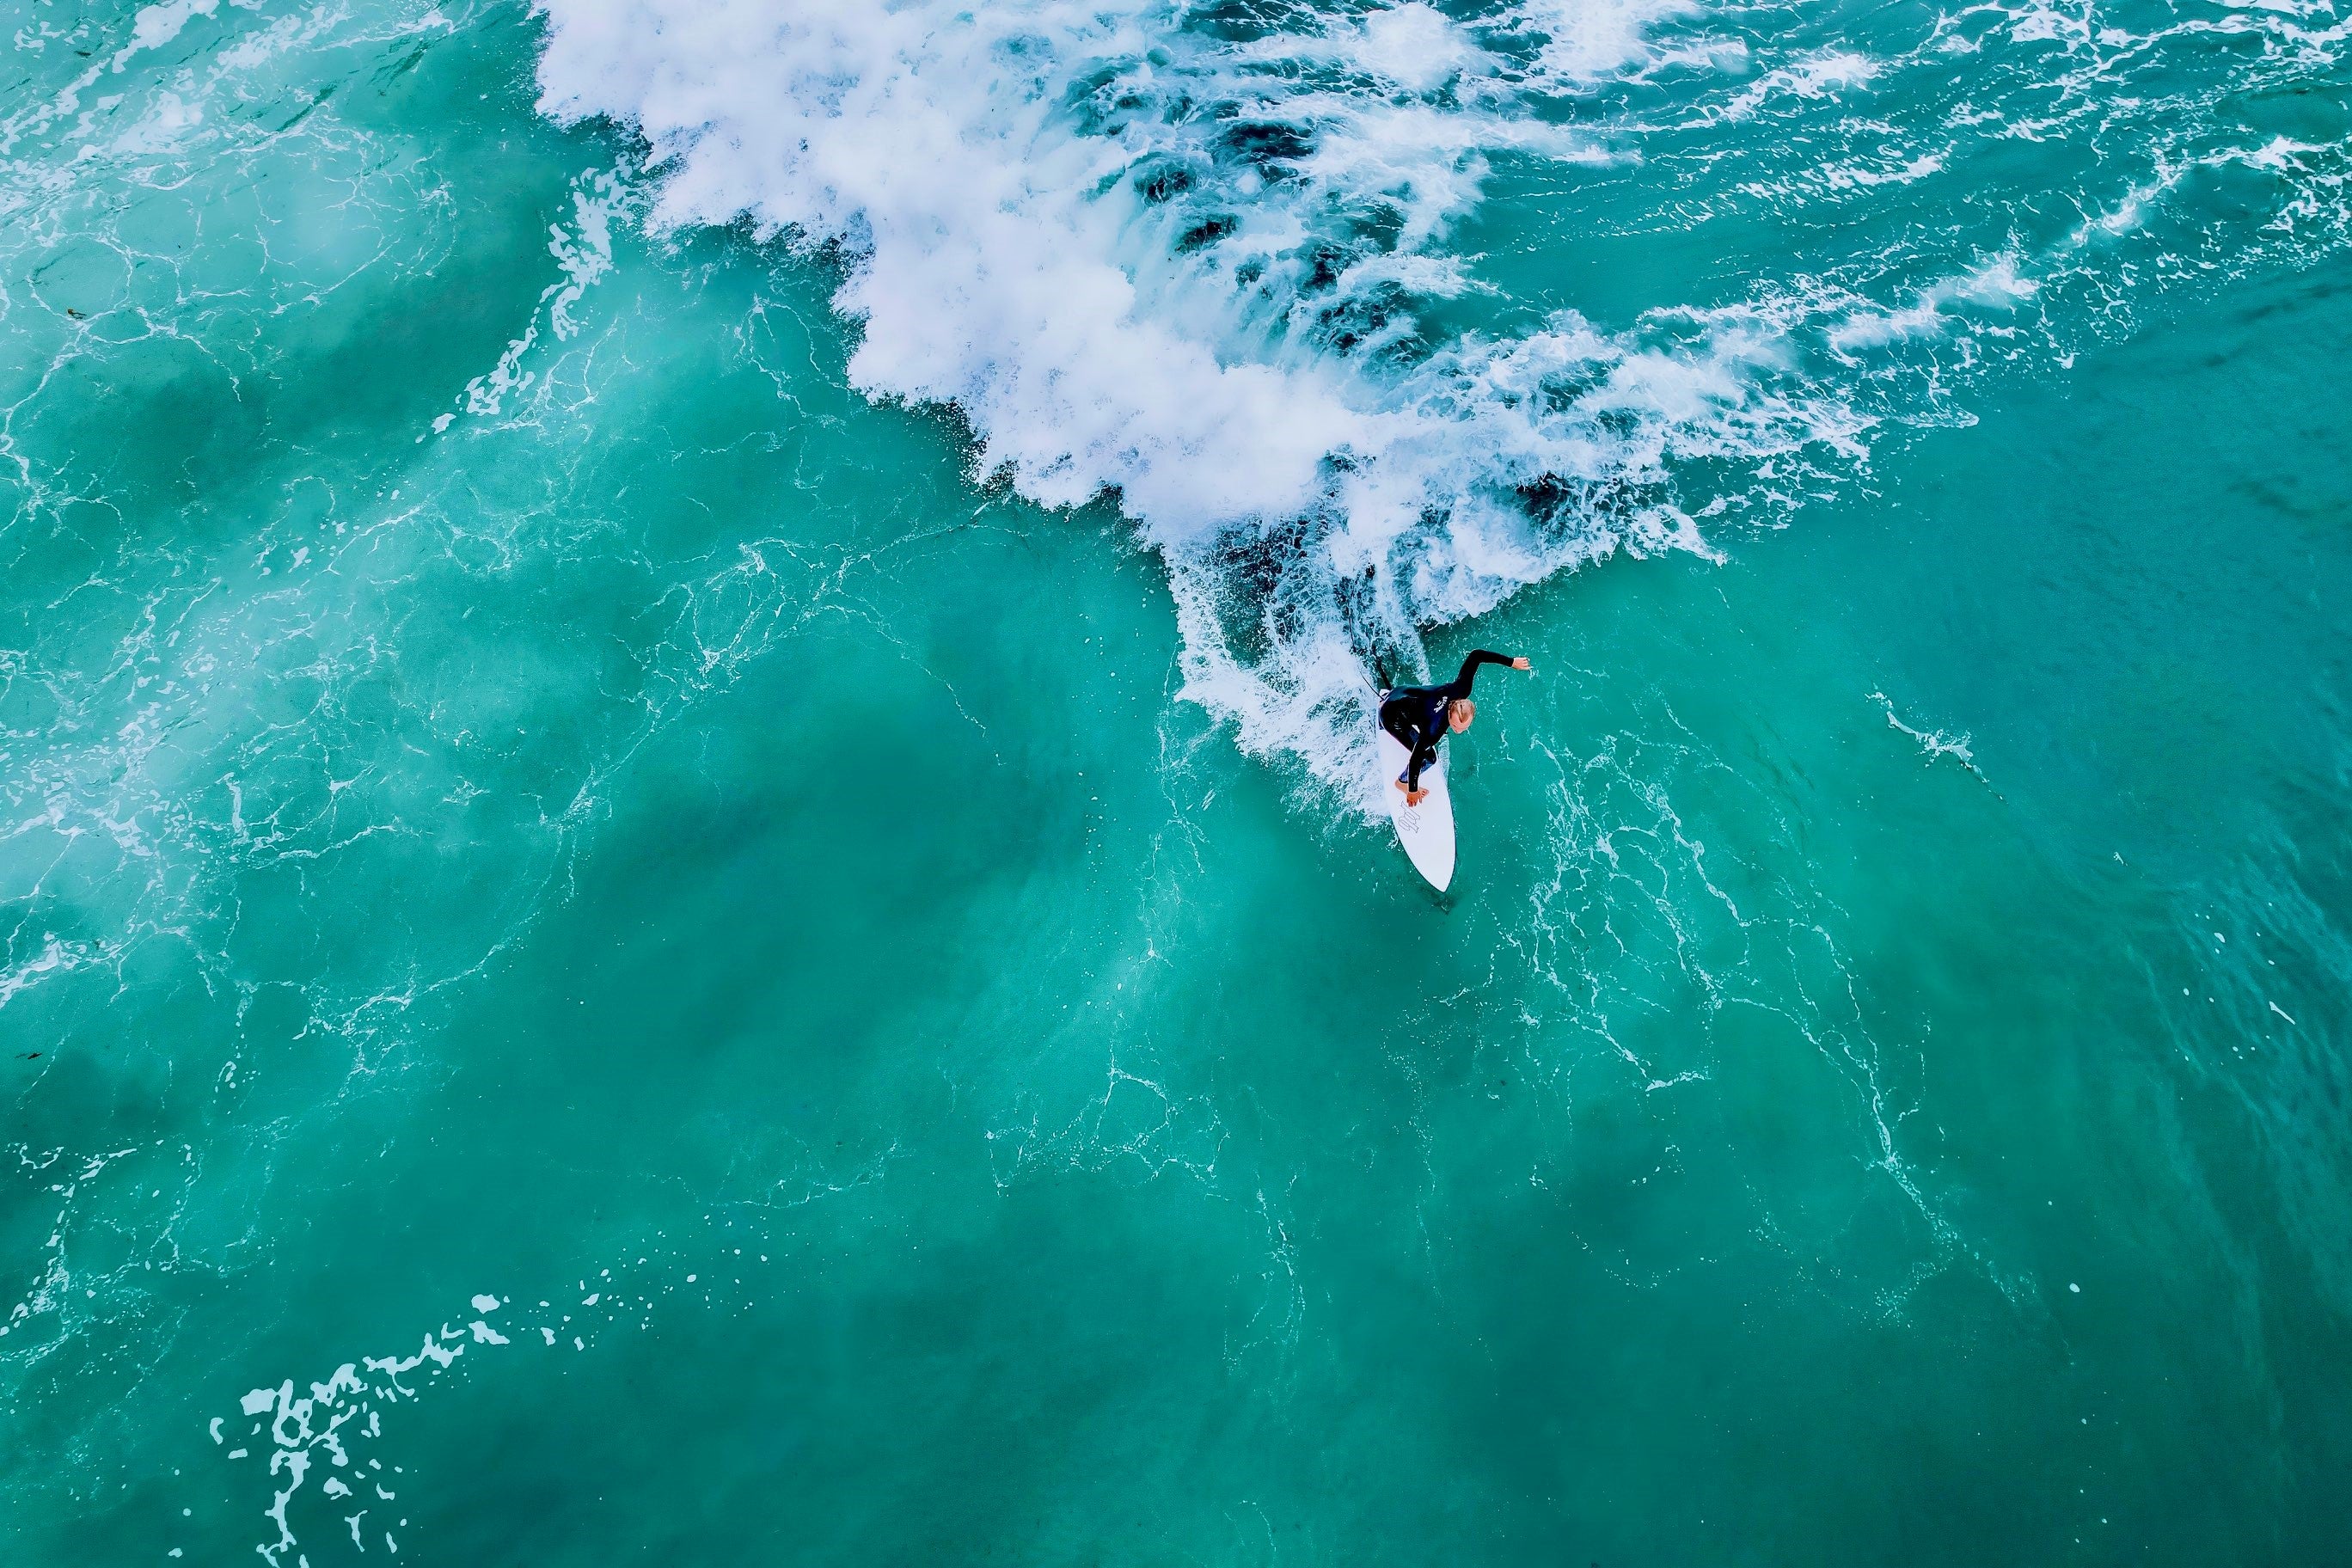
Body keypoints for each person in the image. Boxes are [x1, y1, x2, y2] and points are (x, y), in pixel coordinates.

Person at [1379, 650, 1532, 805]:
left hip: (1400, 692)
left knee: (1417, 713)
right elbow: (1416, 758)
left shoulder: (1461, 689)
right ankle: (1402, 782)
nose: (1458, 731)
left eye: (1463, 728)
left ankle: (1386, 702)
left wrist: (1512, 662)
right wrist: (1413, 790)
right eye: (1455, 726)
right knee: (1429, 758)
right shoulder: (1434, 729)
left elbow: (1477, 656)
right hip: (1390, 717)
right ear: (1449, 713)